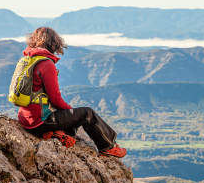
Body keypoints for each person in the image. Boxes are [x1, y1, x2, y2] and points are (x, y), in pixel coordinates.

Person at [17, 27, 127, 158]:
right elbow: (56, 100)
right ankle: (108, 147)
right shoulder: (47, 64)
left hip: (25, 118)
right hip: (40, 121)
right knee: (87, 114)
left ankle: (55, 133)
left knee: (71, 119)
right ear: (54, 43)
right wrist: (72, 111)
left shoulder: (27, 60)